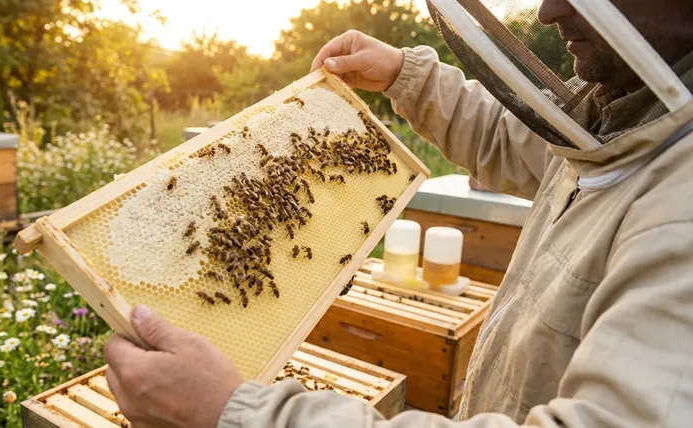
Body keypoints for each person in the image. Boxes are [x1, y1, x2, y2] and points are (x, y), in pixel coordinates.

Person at [104, 0, 693, 426]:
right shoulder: (635, 111)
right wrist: (407, 77)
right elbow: (538, 145)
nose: (548, 11)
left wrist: (245, 413)